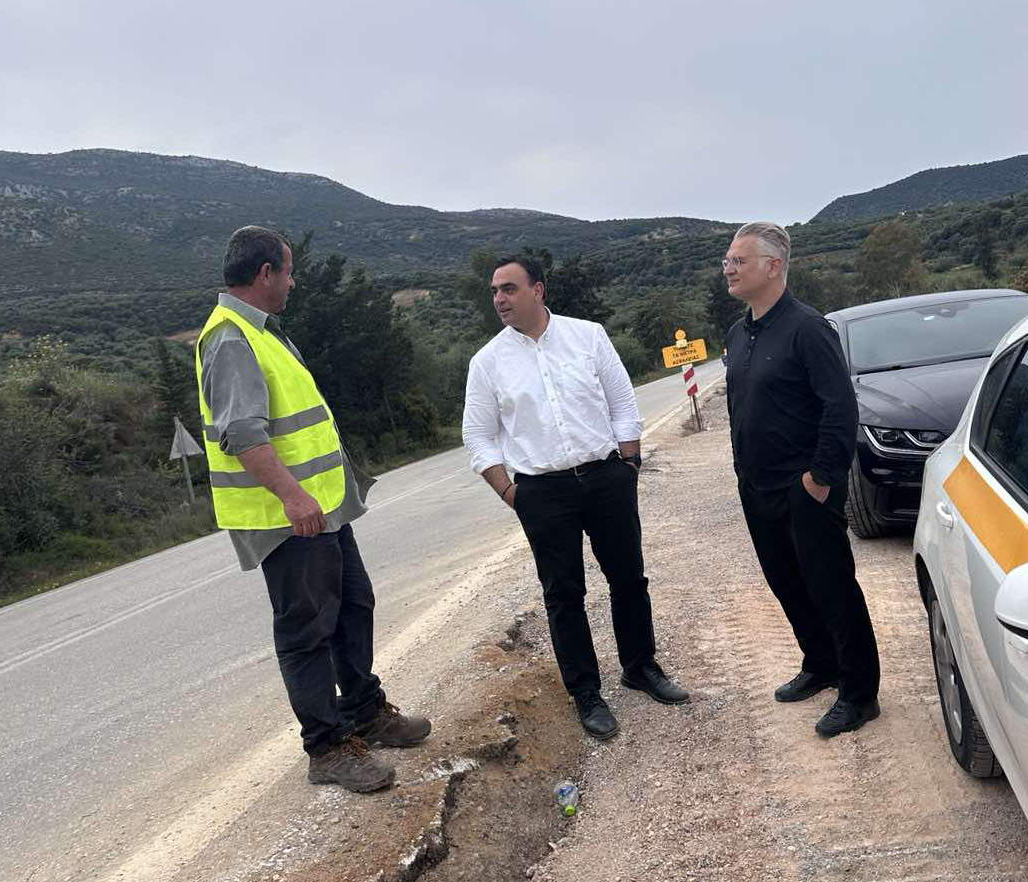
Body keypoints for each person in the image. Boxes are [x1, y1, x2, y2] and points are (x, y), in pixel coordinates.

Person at [195, 226, 430, 792]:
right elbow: (242, 434)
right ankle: (326, 749)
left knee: (353, 606)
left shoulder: (261, 332)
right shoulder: (230, 338)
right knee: (306, 631)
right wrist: (292, 496)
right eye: (289, 271)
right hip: (289, 517)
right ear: (265, 273)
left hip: (323, 510)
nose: (293, 282)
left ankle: (366, 712)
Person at [461, 254, 689, 739]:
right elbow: (477, 437)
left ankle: (641, 667)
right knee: (563, 595)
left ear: (537, 290)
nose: (499, 298)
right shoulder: (487, 363)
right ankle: (586, 692)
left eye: (508, 288)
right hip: (541, 490)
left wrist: (630, 463)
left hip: (606, 476)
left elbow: (622, 400)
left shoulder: (588, 336)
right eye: (494, 291)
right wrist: (511, 492)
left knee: (629, 578)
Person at [721, 222, 881, 737]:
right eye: (727, 260)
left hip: (803, 489)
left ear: (773, 267)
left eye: (739, 260)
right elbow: (740, 407)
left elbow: (841, 407)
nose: (729, 268)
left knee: (831, 587)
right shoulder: (738, 334)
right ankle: (821, 664)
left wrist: (819, 479)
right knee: (786, 582)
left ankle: (859, 693)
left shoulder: (808, 328)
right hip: (756, 487)